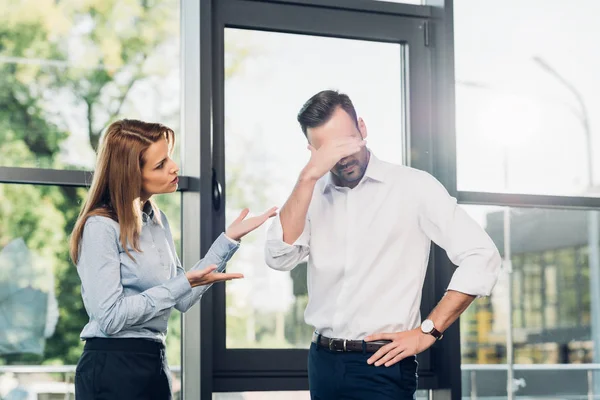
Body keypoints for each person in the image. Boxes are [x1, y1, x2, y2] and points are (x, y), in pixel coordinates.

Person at [264, 90, 501, 399]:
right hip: (321, 360)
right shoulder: (309, 194)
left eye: (347, 140)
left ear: (362, 128)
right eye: (329, 149)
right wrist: (307, 178)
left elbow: (482, 255)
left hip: (382, 364)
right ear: (313, 151)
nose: (343, 156)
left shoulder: (413, 186)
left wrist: (428, 330)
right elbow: (278, 257)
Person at [70, 119, 276, 400]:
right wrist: (180, 284)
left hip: (153, 360)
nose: (173, 167)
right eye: (160, 164)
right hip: (112, 367)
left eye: (169, 156)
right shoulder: (100, 227)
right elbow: (110, 317)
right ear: (130, 174)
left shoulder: (156, 219)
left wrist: (228, 240)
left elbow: (182, 297)